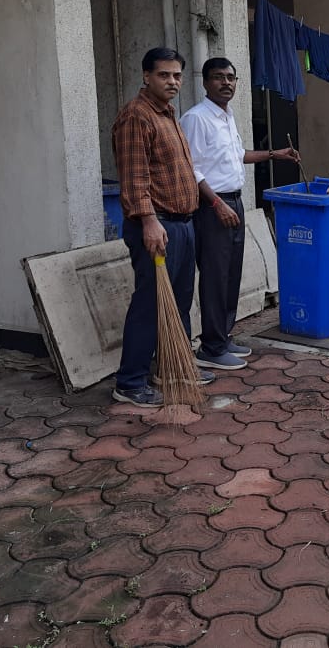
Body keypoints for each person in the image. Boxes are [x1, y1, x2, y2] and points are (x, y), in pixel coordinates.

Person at [180, 57, 300, 369]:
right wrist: (216, 204)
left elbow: (238, 155)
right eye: (219, 78)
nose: (226, 83)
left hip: (233, 202)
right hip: (212, 206)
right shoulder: (196, 119)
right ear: (205, 83)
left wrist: (276, 154)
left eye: (231, 78)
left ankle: (223, 335)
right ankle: (211, 346)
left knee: (231, 273)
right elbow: (190, 169)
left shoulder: (226, 115)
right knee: (215, 276)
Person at [111, 47, 201, 406]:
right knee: (150, 304)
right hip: (156, 226)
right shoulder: (137, 116)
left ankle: (173, 368)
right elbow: (134, 178)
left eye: (177, 75)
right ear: (146, 76)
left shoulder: (167, 114)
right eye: (164, 75)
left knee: (177, 303)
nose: (173, 81)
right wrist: (149, 221)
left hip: (181, 224)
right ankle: (130, 383)